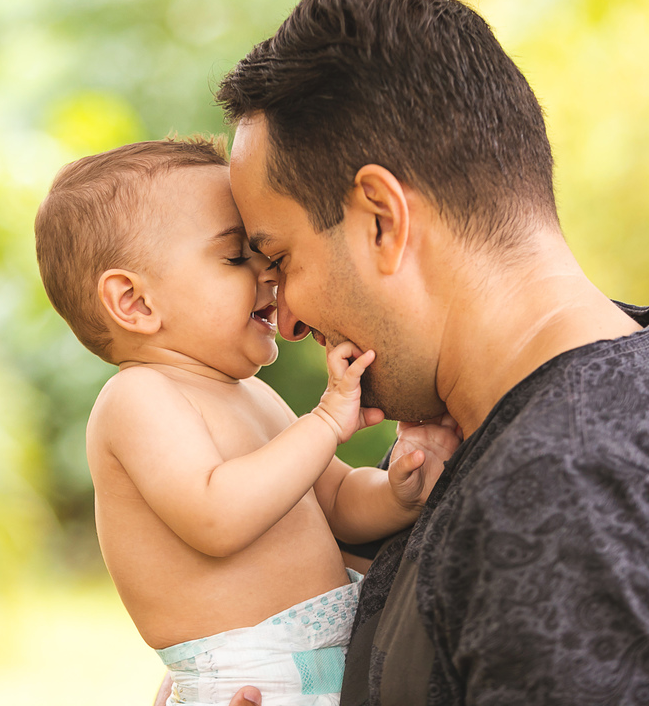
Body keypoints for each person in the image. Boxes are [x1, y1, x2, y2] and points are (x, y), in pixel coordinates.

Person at [210, 0, 649, 706]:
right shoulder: (569, 410)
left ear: (382, 218)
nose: (281, 315)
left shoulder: (566, 485)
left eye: (280, 259)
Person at [33, 137, 462, 706]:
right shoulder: (137, 399)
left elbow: (334, 501)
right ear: (134, 303)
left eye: (268, 255)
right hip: (253, 683)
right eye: (237, 256)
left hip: (329, 665)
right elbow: (216, 517)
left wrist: (395, 493)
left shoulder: (252, 395)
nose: (269, 274)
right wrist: (328, 420)